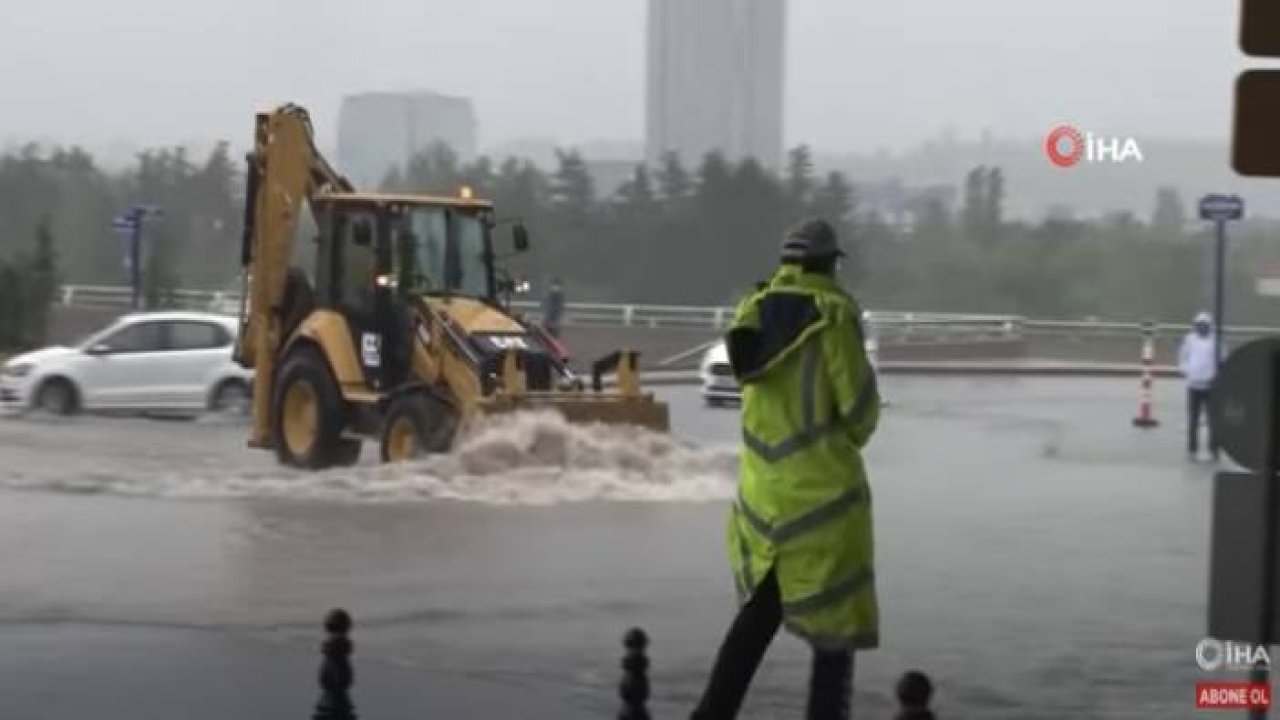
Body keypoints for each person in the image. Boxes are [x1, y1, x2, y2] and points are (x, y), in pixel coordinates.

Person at [690, 219, 881, 720]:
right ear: (829, 263)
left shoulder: (750, 315)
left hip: (762, 506)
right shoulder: (835, 317)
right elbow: (861, 415)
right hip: (825, 508)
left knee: (754, 624)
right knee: (833, 638)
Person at [1179, 311, 1218, 460]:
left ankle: (1213, 449)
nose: (1202, 328)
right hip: (1193, 385)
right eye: (1199, 325)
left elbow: (1222, 359)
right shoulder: (1189, 339)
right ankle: (1192, 449)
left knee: (1213, 419)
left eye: (1205, 325)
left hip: (1211, 385)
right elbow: (1183, 357)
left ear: (1209, 326)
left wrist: (1216, 376)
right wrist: (1187, 372)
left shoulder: (1215, 340)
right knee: (1193, 419)